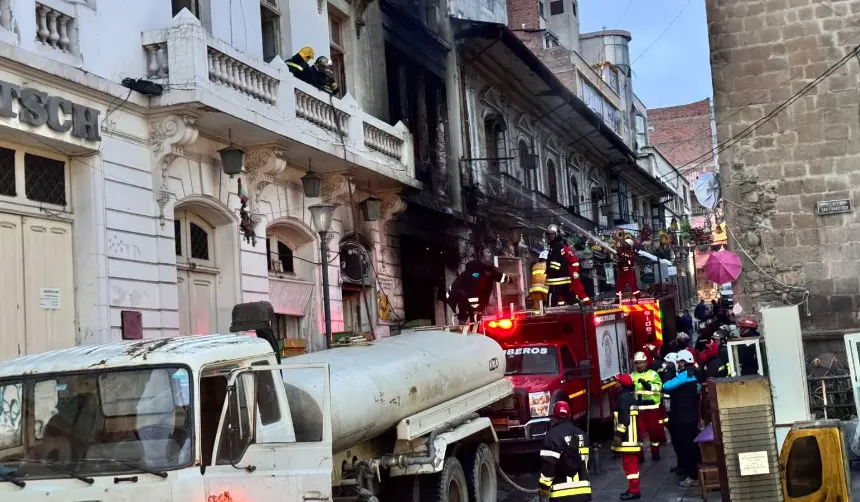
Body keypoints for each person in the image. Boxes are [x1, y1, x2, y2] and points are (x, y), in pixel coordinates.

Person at [538, 401, 592, 501]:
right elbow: (587, 463)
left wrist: (544, 487)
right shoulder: (582, 434)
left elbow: (549, 466)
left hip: (561, 494)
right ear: (570, 414)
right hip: (583, 492)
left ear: (554, 416)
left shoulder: (551, 436)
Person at [663, 349, 702, 487]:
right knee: (693, 446)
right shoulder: (695, 373)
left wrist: (668, 374)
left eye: (679, 362)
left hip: (683, 417)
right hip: (691, 416)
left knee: (687, 447)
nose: (677, 364)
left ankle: (693, 476)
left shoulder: (685, 375)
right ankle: (695, 472)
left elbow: (666, 386)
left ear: (684, 362)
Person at [444, 260, 513, 323]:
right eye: (489, 272)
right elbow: (472, 294)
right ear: (484, 271)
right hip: (460, 291)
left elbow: (499, 276)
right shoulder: (473, 276)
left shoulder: (491, 273)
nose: (490, 274)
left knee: (476, 311)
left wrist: (510, 280)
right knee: (464, 299)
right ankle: (462, 319)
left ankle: (475, 322)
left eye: (491, 272)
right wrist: (475, 309)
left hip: (472, 293)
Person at [612, 374, 642, 500]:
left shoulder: (623, 398)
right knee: (631, 464)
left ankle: (634, 491)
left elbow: (624, 419)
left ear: (621, 384)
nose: (614, 383)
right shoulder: (628, 396)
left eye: (616, 381)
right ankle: (632, 489)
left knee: (630, 465)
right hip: (632, 436)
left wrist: (618, 435)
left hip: (627, 438)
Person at [631, 352, 665, 462]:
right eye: (637, 363)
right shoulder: (632, 376)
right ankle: (640, 456)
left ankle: (655, 452)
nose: (639, 365)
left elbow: (659, 386)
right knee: (639, 435)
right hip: (639, 410)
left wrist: (648, 385)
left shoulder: (653, 374)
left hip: (652, 409)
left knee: (654, 432)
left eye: (641, 363)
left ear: (645, 363)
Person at [545, 225, 571, 306]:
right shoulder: (557, 244)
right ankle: (577, 304)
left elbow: (554, 263)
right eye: (548, 234)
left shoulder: (556, 245)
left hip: (557, 278)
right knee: (567, 295)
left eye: (552, 234)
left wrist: (550, 274)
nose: (550, 236)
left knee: (552, 294)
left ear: (557, 234)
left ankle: (549, 309)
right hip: (562, 276)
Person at [563, 239, 591, 305]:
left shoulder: (565, 250)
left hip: (571, 272)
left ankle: (585, 301)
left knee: (577, 286)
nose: (572, 247)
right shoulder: (563, 249)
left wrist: (575, 271)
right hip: (568, 272)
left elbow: (574, 261)